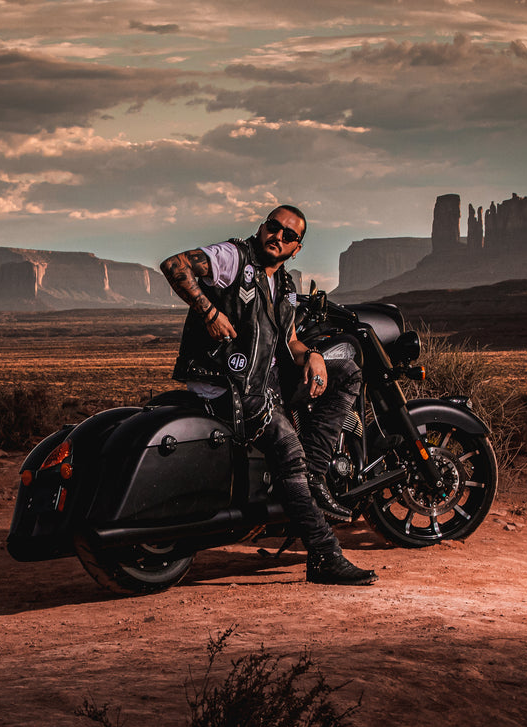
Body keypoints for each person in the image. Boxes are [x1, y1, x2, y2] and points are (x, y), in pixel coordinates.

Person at [160, 205, 377, 586]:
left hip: (261, 381)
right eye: (273, 228)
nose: (279, 236)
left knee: (345, 372)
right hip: (227, 384)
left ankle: (314, 475)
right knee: (289, 453)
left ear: (297, 248)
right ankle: (324, 555)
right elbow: (175, 265)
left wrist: (312, 356)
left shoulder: (287, 285)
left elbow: (289, 340)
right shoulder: (233, 258)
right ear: (261, 229)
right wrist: (208, 311)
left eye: (289, 235)